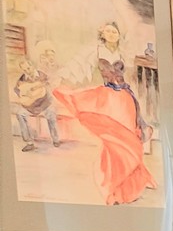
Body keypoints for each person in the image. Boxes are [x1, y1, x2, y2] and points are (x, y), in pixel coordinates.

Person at [50, 21, 157, 205]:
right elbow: (78, 63)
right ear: (103, 34)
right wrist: (61, 75)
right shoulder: (96, 51)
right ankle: (115, 185)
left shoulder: (124, 52)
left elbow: (133, 72)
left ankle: (135, 180)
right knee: (113, 141)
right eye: (108, 31)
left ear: (118, 34)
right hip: (107, 98)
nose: (111, 34)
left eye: (114, 31)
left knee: (129, 137)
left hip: (125, 98)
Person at [11, 58, 61, 151]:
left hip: (44, 103)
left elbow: (50, 84)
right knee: (20, 114)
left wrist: (39, 88)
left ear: (32, 66)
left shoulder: (42, 75)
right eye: (24, 70)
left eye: (28, 68)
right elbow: (17, 89)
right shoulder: (22, 78)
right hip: (30, 105)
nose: (27, 71)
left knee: (51, 113)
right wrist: (24, 94)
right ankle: (29, 142)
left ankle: (56, 139)